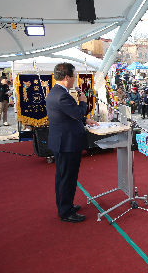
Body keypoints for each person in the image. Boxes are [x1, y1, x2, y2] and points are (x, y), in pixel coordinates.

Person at [46, 63, 99, 223]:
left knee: (64, 176)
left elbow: (68, 115)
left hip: (63, 141)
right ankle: (65, 211)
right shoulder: (62, 95)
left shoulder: (56, 92)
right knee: (67, 177)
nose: (75, 79)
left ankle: (65, 204)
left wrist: (86, 120)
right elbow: (77, 113)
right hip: (67, 143)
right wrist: (83, 101)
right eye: (74, 76)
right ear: (66, 77)